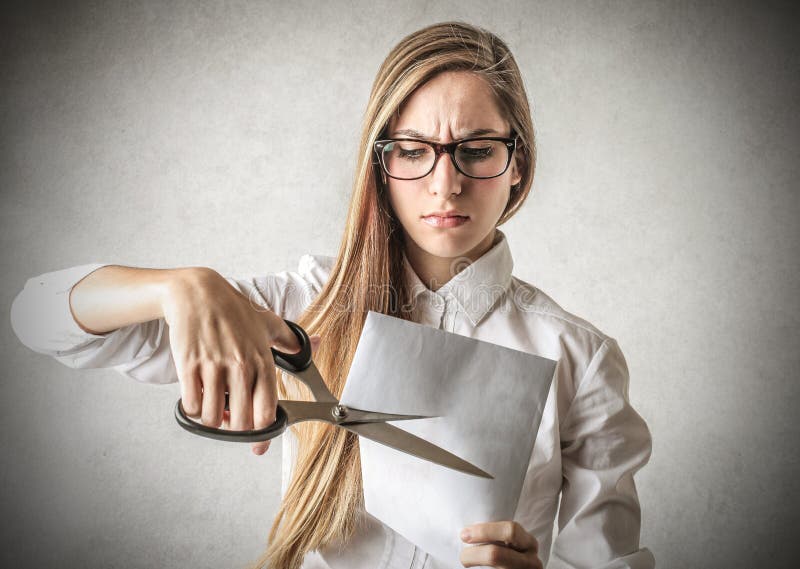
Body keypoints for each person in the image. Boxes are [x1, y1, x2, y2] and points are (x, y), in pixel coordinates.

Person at [10, 21, 654, 569]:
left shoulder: (580, 356)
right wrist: (183, 287)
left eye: (477, 150)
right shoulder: (297, 308)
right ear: (381, 162)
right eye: (413, 151)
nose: (445, 184)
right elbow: (36, 317)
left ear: (517, 163)